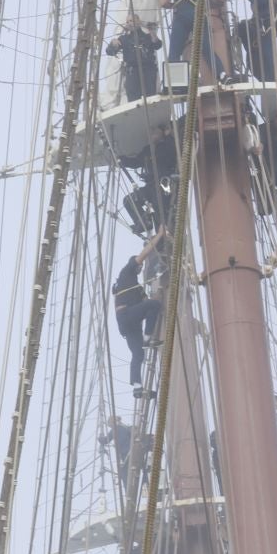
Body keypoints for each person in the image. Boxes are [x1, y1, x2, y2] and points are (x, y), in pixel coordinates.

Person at [113, 232, 166, 392]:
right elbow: (144, 254)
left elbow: (146, 303)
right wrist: (160, 234)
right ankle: (147, 338)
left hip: (129, 325)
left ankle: (137, 386)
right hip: (126, 315)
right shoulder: (126, 272)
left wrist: (160, 291)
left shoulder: (138, 288)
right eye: (139, 266)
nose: (140, 268)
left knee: (138, 354)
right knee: (154, 306)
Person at [162, 0, 226, 80]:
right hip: (200, 15)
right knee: (207, 48)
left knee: (175, 52)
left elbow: (163, 2)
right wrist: (210, 4)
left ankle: (177, 80)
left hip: (182, 16)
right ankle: (222, 75)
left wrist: (173, 5)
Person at [118, 123, 180, 238]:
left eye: (156, 131)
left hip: (163, 184)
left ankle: (164, 239)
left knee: (159, 211)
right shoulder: (147, 150)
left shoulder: (168, 145)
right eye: (151, 132)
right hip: (150, 186)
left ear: (162, 133)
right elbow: (136, 162)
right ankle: (143, 223)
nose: (152, 134)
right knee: (129, 201)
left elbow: (174, 152)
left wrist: (168, 136)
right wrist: (120, 159)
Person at [105, 15, 163, 101]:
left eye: (131, 21)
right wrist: (113, 44)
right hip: (132, 72)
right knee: (133, 100)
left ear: (138, 21)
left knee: (150, 98)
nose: (129, 23)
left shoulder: (148, 37)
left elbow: (158, 45)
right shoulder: (124, 39)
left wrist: (153, 34)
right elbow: (110, 52)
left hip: (148, 71)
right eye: (127, 22)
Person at [238, 0, 277, 80]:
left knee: (267, 53)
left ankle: (272, 78)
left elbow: (261, 0)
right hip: (265, 25)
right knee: (263, 53)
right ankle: (270, 77)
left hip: (268, 24)